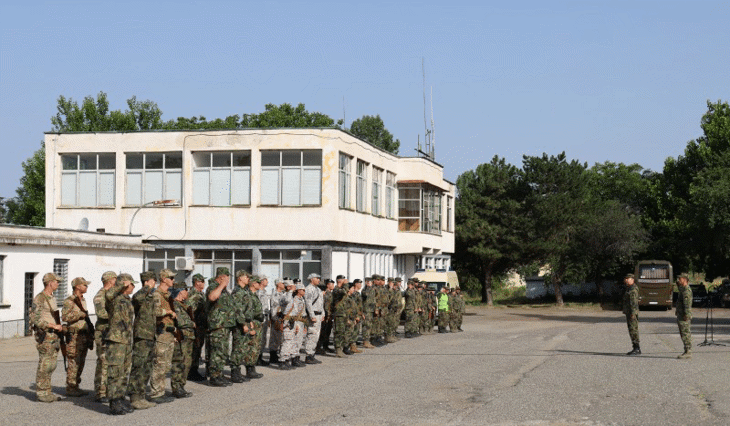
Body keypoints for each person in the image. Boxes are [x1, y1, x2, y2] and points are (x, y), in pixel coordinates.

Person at [105, 273, 137, 415]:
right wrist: (120, 285)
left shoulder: (126, 299)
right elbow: (108, 295)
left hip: (126, 339)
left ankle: (120, 398)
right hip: (116, 340)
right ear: (124, 284)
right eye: (131, 284)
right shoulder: (114, 298)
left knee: (124, 372)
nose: (133, 287)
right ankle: (113, 402)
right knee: (115, 372)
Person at [30, 272, 65, 403]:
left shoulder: (51, 297)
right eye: (56, 281)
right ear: (50, 282)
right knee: (45, 364)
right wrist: (53, 326)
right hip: (46, 336)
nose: (58, 284)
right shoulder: (40, 298)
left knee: (51, 365)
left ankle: (47, 391)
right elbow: (34, 318)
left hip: (53, 336)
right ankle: (41, 392)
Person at [128, 271, 158, 410]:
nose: (155, 283)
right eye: (153, 280)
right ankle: (134, 397)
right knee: (139, 367)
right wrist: (147, 287)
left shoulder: (150, 296)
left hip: (150, 335)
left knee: (147, 367)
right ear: (147, 281)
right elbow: (137, 298)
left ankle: (141, 396)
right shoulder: (140, 294)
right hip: (141, 335)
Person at [148, 269, 177, 404]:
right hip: (161, 333)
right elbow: (155, 311)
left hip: (169, 333)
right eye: (171, 278)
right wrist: (168, 311)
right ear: (164, 279)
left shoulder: (167, 295)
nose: (173, 280)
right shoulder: (157, 294)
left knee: (165, 365)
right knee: (159, 363)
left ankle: (161, 391)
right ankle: (156, 393)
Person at [62, 277, 93, 397]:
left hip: (84, 335)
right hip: (74, 335)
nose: (86, 287)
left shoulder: (83, 300)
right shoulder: (69, 301)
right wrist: (79, 314)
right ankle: (70, 387)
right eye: (84, 285)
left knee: (81, 362)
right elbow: (65, 317)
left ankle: (76, 385)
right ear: (77, 286)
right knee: (73, 362)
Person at [206, 267, 235, 387]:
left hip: (225, 326)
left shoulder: (225, 291)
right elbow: (212, 297)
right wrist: (222, 285)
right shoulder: (213, 287)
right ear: (222, 277)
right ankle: (214, 376)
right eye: (227, 277)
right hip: (217, 326)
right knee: (216, 352)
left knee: (222, 352)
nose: (228, 280)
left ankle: (219, 374)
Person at [93, 271, 117, 403]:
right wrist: (116, 316)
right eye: (115, 280)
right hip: (103, 332)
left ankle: (108, 390)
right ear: (110, 281)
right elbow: (101, 313)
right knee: (103, 362)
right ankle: (100, 392)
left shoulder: (112, 295)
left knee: (110, 362)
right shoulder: (100, 295)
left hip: (111, 331)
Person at [170, 282, 195, 397]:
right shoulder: (174, 305)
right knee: (179, 363)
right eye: (186, 290)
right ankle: (177, 387)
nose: (187, 292)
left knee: (187, 362)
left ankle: (181, 386)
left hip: (188, 337)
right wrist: (191, 323)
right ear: (181, 291)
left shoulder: (184, 305)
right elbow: (181, 321)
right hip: (181, 336)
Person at [280, 282, 307, 369]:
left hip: (293, 320)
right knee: (287, 341)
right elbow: (287, 302)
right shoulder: (287, 296)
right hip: (288, 321)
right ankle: (283, 360)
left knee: (292, 341)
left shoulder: (292, 297)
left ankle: (288, 359)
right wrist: (291, 291)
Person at [186, 273, 207, 382]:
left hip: (201, 326)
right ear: (197, 282)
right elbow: (190, 311)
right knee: (194, 349)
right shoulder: (194, 295)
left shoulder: (201, 294)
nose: (204, 283)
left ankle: (194, 369)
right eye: (202, 281)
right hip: (196, 326)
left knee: (198, 348)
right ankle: (192, 371)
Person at [303, 273, 324, 364]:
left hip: (319, 315)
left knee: (316, 336)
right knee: (311, 334)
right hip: (314, 315)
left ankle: (312, 353)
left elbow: (321, 303)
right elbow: (308, 304)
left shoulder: (318, 289)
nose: (319, 280)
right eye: (317, 278)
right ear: (312, 279)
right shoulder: (309, 289)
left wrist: (323, 313)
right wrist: (312, 315)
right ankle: (308, 355)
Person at [269, 278, 287, 365]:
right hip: (276, 317)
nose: (284, 285)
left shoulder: (283, 294)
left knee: (279, 337)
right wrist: (275, 318)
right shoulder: (275, 294)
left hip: (281, 318)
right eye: (282, 283)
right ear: (278, 284)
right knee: (275, 337)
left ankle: (276, 354)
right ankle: (273, 356)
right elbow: (275, 307)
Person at [675, 273, 693, 359]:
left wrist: (687, 314)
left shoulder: (686, 291)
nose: (679, 280)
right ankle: (686, 350)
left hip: (684, 315)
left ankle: (688, 351)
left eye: (680, 279)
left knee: (685, 333)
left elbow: (687, 304)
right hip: (681, 314)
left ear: (685, 279)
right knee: (683, 332)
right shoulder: (683, 289)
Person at [622, 273, 641, 356]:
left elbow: (634, 303)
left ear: (632, 280)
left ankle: (637, 348)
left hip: (632, 313)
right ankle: (635, 347)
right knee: (631, 330)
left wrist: (633, 313)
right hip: (629, 312)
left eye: (628, 279)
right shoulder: (629, 288)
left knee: (633, 330)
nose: (626, 280)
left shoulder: (633, 289)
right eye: (626, 278)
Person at [316, 278, 335, 354]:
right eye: (332, 284)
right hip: (325, 315)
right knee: (322, 332)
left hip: (330, 315)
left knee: (328, 331)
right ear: (328, 285)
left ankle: (325, 346)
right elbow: (323, 305)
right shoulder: (324, 293)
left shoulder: (331, 293)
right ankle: (318, 347)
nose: (333, 286)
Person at [256, 275, 271, 367]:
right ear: (262, 281)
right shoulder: (258, 293)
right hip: (260, 318)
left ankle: (260, 357)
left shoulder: (264, 292)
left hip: (265, 317)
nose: (267, 282)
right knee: (259, 338)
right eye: (266, 280)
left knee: (263, 339)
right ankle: (256, 358)